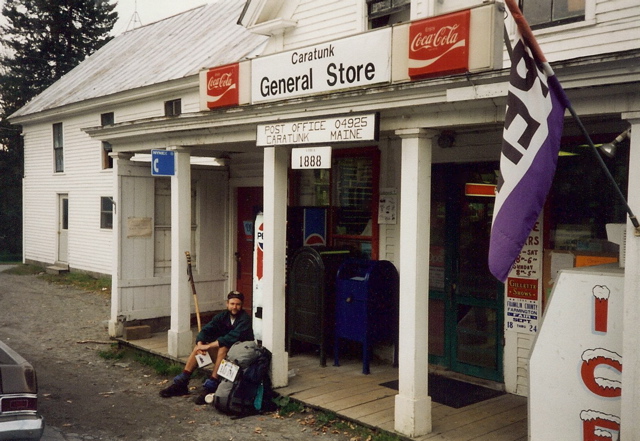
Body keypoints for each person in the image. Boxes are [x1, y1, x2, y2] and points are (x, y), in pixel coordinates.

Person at [159, 290, 254, 404]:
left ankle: (212, 385)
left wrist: (208, 346)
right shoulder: (222, 316)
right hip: (223, 360)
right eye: (232, 304)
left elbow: (229, 339)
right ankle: (181, 383)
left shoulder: (245, 320)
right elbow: (206, 330)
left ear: (242, 305)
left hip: (239, 363)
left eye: (238, 304)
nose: (235, 307)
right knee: (199, 348)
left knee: (223, 347)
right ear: (227, 304)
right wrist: (200, 344)